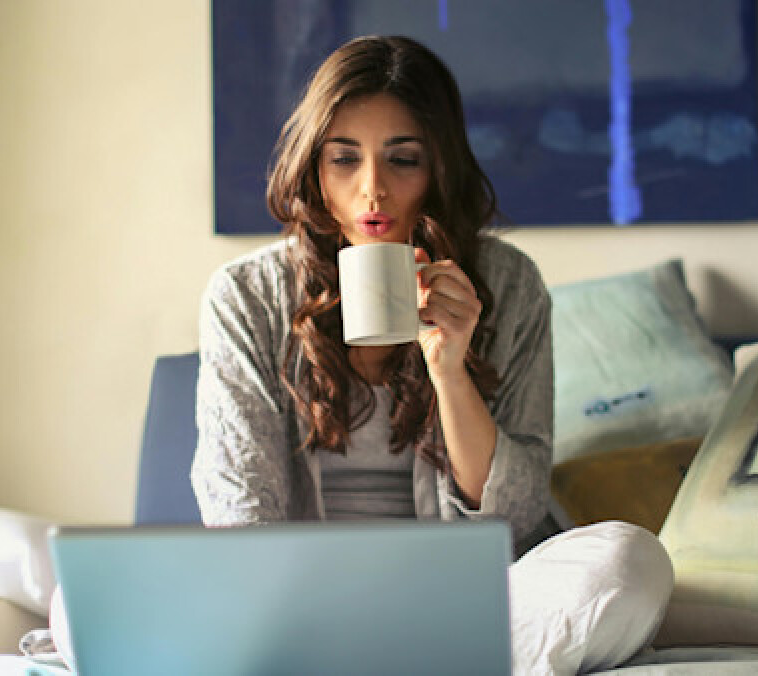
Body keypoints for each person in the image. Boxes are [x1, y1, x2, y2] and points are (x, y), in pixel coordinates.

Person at [190, 35, 672, 674]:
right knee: (74, 607)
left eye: (402, 159)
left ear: (438, 166)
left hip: (465, 601)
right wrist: (285, 610)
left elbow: (513, 515)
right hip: (301, 602)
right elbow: (240, 518)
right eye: (344, 160)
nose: (373, 191)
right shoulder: (247, 296)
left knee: (628, 562)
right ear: (313, 168)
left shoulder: (509, 285)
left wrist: (449, 369)